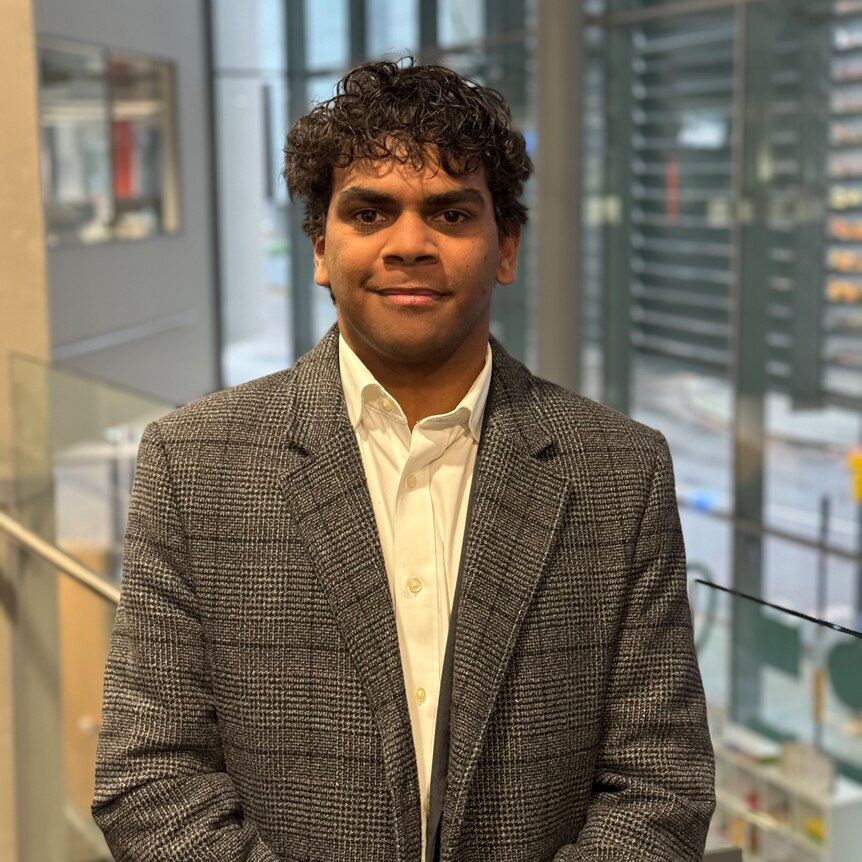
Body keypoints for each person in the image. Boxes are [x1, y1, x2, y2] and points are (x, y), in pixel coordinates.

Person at [93, 58, 715, 862]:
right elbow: (150, 774)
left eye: (452, 214)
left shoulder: (620, 472)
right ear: (321, 247)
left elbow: (661, 782)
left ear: (506, 247)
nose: (410, 245)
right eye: (371, 212)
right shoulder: (194, 463)